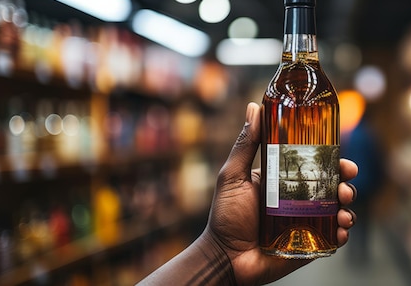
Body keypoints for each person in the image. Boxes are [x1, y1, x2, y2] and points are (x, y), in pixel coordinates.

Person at [138, 102, 359, 285]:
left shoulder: (317, 91)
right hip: (268, 236)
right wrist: (221, 249)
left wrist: (221, 255)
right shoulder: (281, 91)